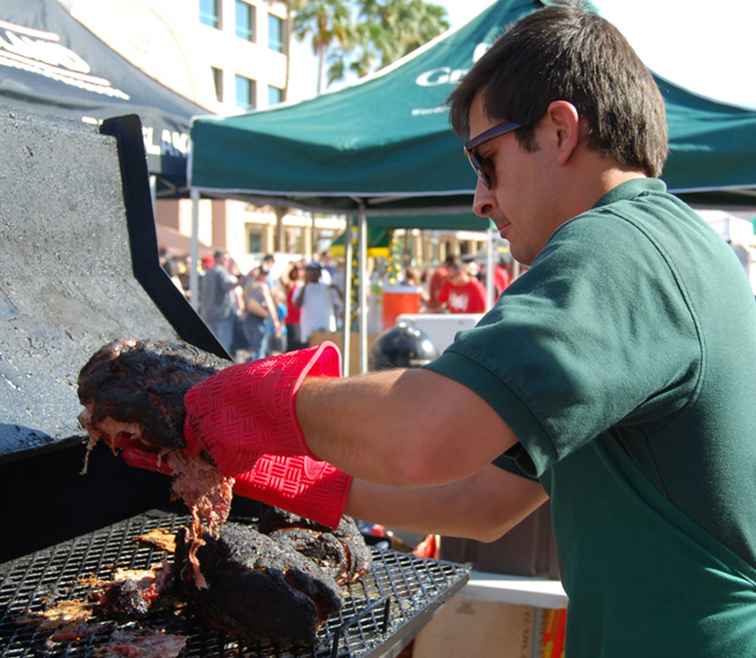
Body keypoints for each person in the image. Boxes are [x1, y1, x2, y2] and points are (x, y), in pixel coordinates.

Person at [119, 5, 756, 657]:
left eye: (485, 160)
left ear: (560, 131)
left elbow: (424, 431)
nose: (479, 198)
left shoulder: (619, 248)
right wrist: (275, 470)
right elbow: (482, 499)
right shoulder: (670, 246)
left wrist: (235, 399)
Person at [198, 250, 239, 354]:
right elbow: (227, 286)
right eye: (225, 259)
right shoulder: (220, 271)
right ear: (218, 259)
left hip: (209, 313)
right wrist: (241, 281)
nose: (227, 261)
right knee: (224, 343)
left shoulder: (208, 272)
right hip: (221, 314)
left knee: (214, 343)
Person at [242, 266, 281, 361]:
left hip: (248, 319)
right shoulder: (263, 287)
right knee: (259, 352)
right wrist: (275, 320)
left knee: (254, 350)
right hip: (259, 320)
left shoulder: (249, 286)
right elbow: (269, 304)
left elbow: (246, 303)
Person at [293, 261, 338, 345]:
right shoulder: (300, 288)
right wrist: (305, 286)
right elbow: (297, 305)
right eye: (310, 270)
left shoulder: (328, 287)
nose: (313, 273)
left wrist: (337, 289)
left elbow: (338, 303)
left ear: (320, 273)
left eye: (316, 270)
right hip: (309, 330)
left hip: (326, 328)